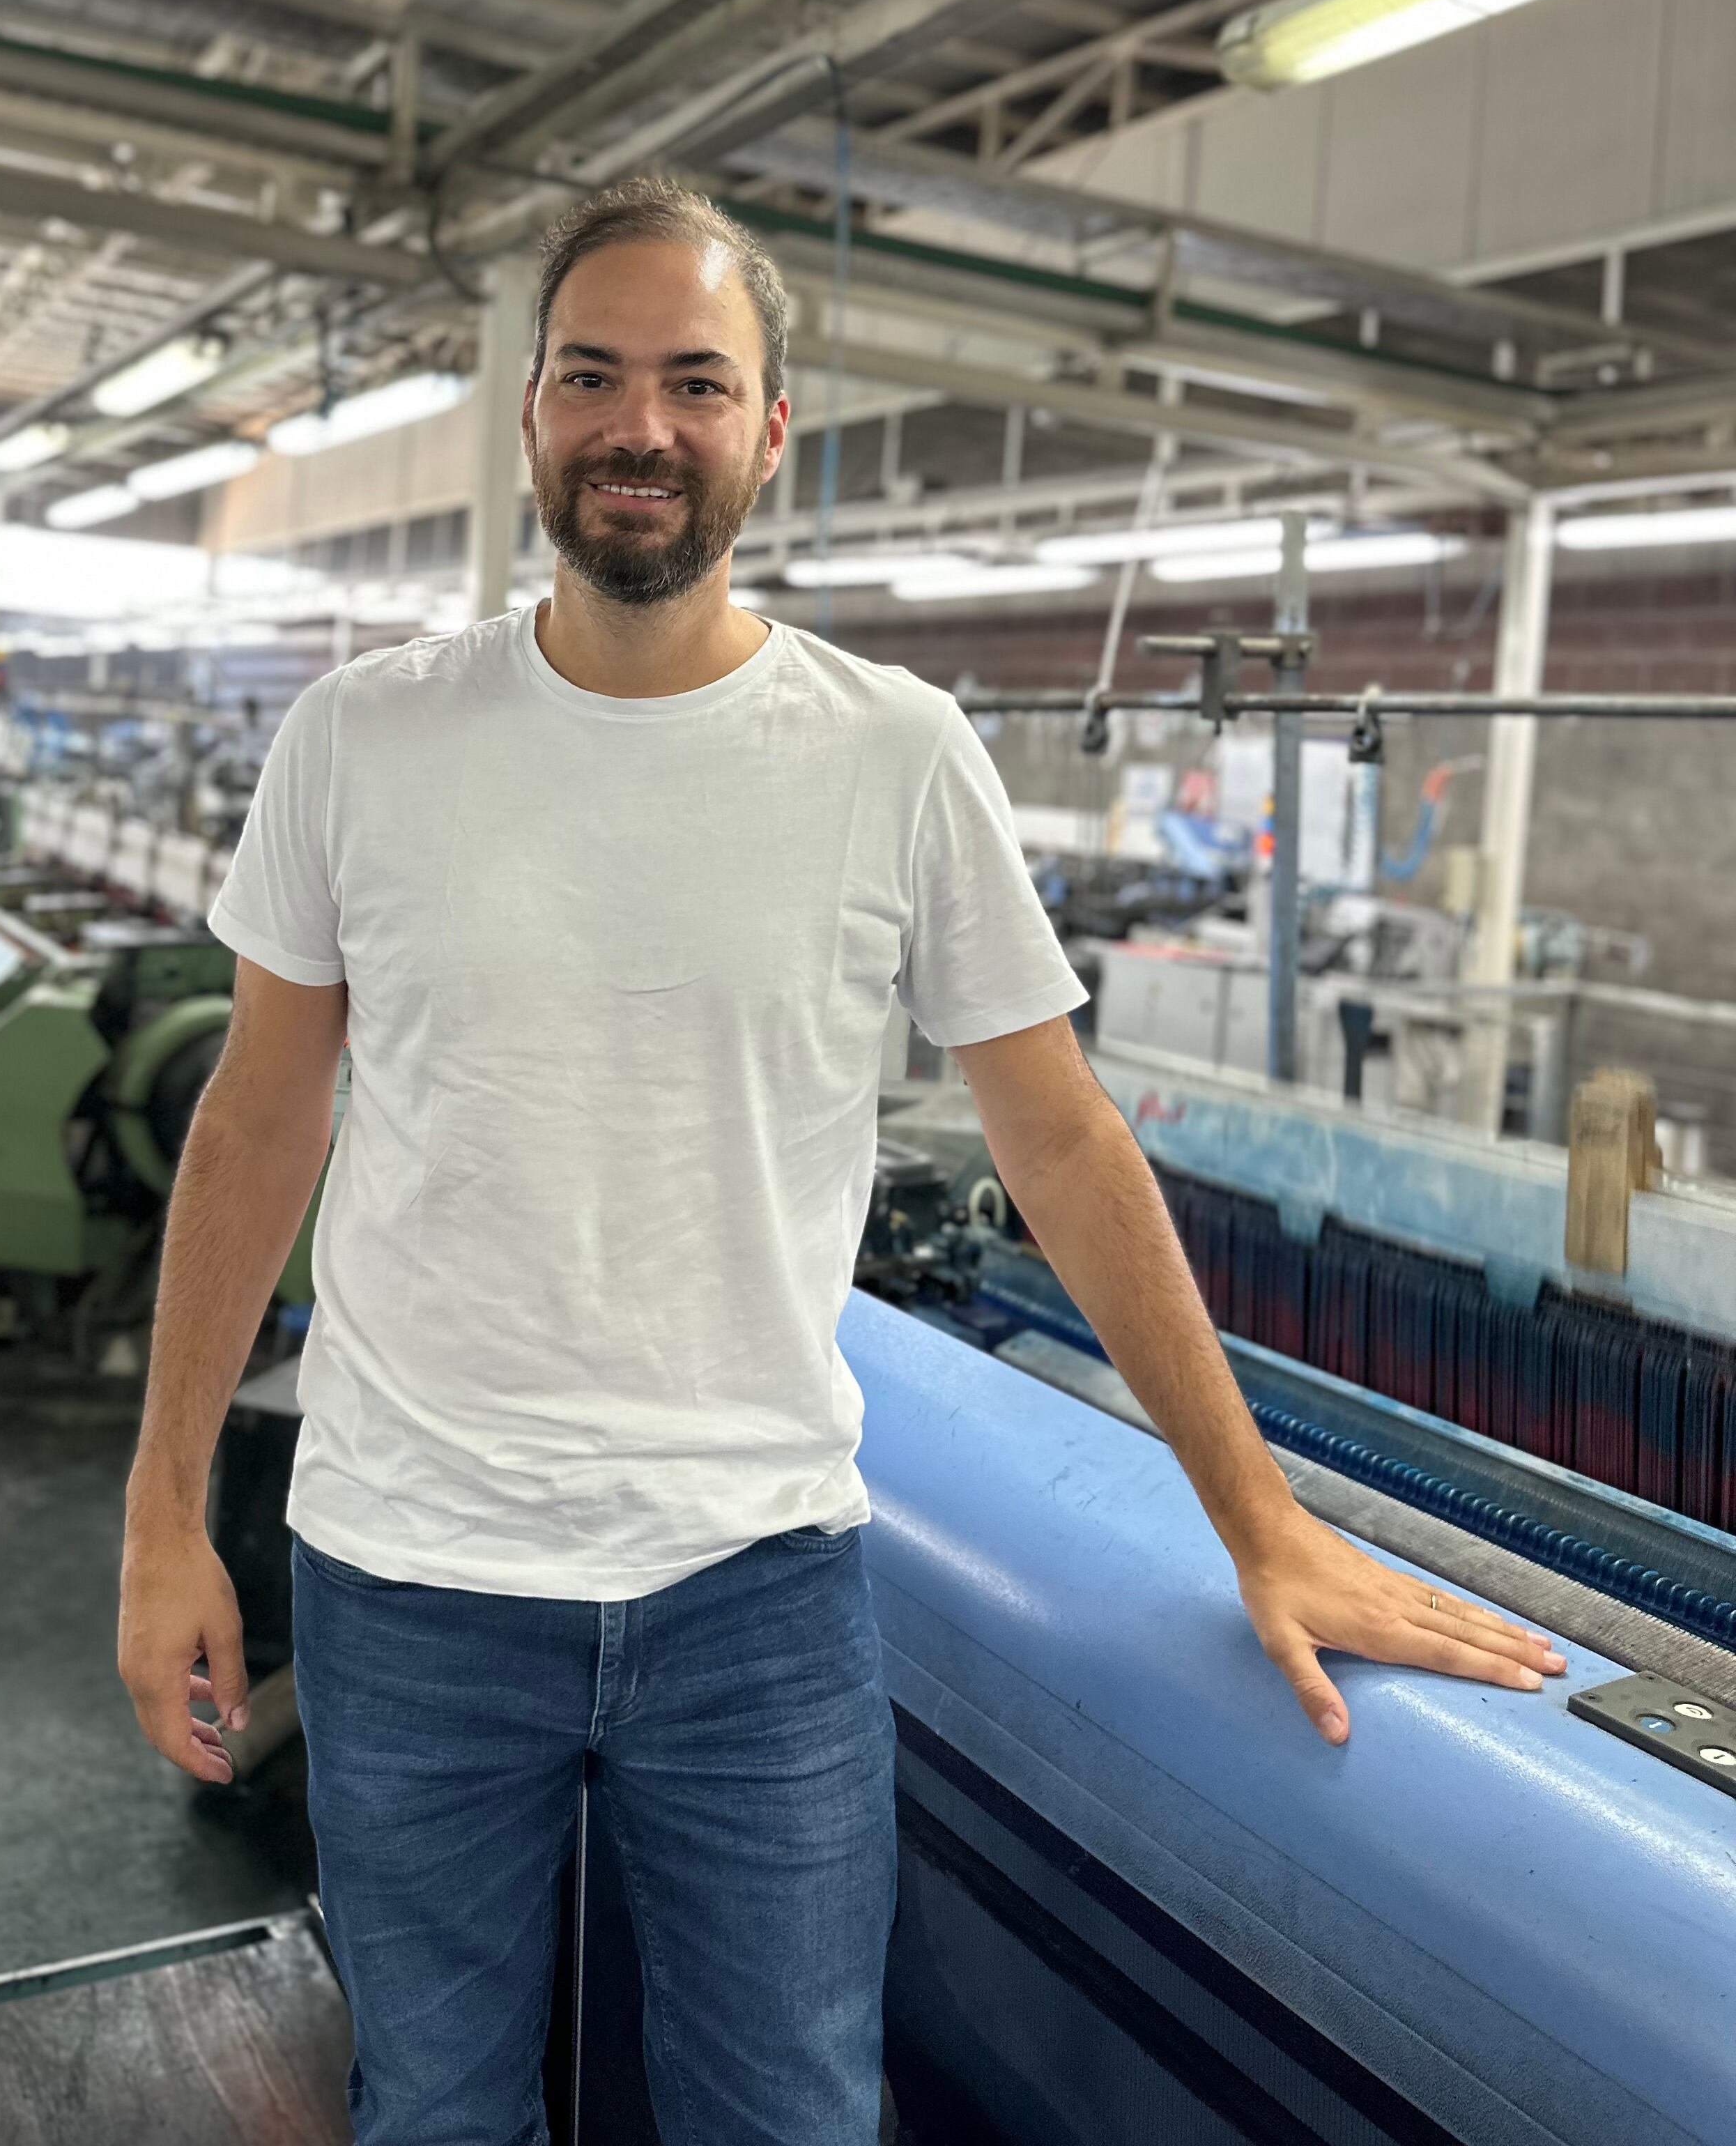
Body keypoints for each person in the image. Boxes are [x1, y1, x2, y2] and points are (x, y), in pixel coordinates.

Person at [118, 180, 1565, 2146]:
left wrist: (1260, 1519)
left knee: (789, 2119)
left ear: (770, 430)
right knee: (437, 2112)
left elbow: (1056, 1135)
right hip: (411, 1574)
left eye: (698, 383)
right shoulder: (363, 741)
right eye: (596, 376)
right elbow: (254, 1123)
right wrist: (162, 1518)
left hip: (760, 1596)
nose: (644, 425)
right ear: (532, 415)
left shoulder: (894, 753)